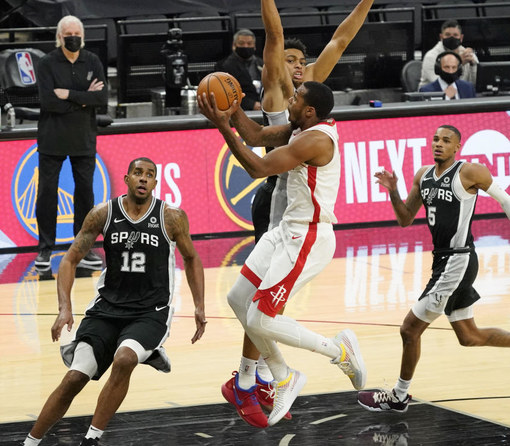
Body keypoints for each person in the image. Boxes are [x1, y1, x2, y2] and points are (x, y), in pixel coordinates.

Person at [198, 81, 366, 427]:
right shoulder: (299, 127)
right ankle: (283, 375)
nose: (290, 100)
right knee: (237, 298)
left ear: (309, 111)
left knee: (261, 317)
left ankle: (338, 351)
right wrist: (233, 112)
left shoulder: (315, 139)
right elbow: (257, 135)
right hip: (286, 230)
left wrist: (222, 127)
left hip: (309, 236)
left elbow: (258, 168)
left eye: (296, 98)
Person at [239, 0, 375, 426]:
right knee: (250, 300)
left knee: (263, 306)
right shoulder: (277, 86)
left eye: (302, 62)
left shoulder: (313, 95)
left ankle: (260, 371)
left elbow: (342, 38)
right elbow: (274, 37)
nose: (297, 68)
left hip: (301, 211)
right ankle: (259, 371)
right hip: (278, 200)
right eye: (291, 61)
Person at [23, 157, 206, 446]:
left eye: (149, 175)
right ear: (127, 179)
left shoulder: (171, 217)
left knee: (124, 359)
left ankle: (92, 439)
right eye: (138, 173)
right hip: (107, 309)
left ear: (156, 183)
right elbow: (70, 260)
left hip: (149, 311)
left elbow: (193, 258)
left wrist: (199, 306)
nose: (143, 179)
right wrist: (64, 308)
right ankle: (30, 442)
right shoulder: (103, 213)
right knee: (74, 378)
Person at [357, 125, 510, 413]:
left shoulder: (470, 172)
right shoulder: (423, 176)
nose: (438, 144)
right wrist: (394, 191)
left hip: (458, 259)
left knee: (409, 329)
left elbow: (505, 200)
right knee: (469, 337)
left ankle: (399, 396)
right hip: (443, 260)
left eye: (446, 141)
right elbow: (404, 219)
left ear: (457, 147)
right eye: (436, 139)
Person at [34, 15, 108, 270]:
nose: (73, 38)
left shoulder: (93, 61)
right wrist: (84, 99)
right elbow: (48, 102)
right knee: (46, 194)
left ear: (83, 36)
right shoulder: (46, 63)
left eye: (77, 34)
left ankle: (83, 248)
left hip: (83, 138)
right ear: (59, 37)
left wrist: (69, 95)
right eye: (68, 35)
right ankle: (45, 249)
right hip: (52, 138)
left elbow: (102, 99)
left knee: (86, 194)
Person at [419, 20, 478, 89]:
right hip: (434, 95)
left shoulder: (467, 54)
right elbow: (443, 87)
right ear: (441, 37)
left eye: (455, 35)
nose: (451, 38)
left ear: (461, 38)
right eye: (447, 35)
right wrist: (459, 64)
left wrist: (473, 66)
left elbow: (475, 86)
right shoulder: (431, 57)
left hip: (460, 95)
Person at [215, 29, 263, 111]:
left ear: (254, 46)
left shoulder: (262, 63)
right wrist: (251, 105)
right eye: (241, 43)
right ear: (234, 45)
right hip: (240, 109)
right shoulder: (223, 66)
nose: (246, 46)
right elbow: (225, 93)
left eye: (249, 43)